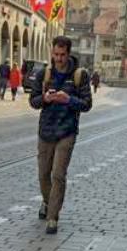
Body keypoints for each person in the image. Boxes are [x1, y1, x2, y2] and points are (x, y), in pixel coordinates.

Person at [30, 35, 92, 235]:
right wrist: (45, 98)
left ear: (68, 53)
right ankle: (48, 202)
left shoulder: (80, 75)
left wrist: (68, 100)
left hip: (67, 131)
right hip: (46, 131)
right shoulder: (44, 74)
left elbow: (87, 104)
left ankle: (53, 217)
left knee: (58, 174)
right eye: (56, 54)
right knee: (43, 175)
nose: (58, 59)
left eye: (62, 55)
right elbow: (33, 101)